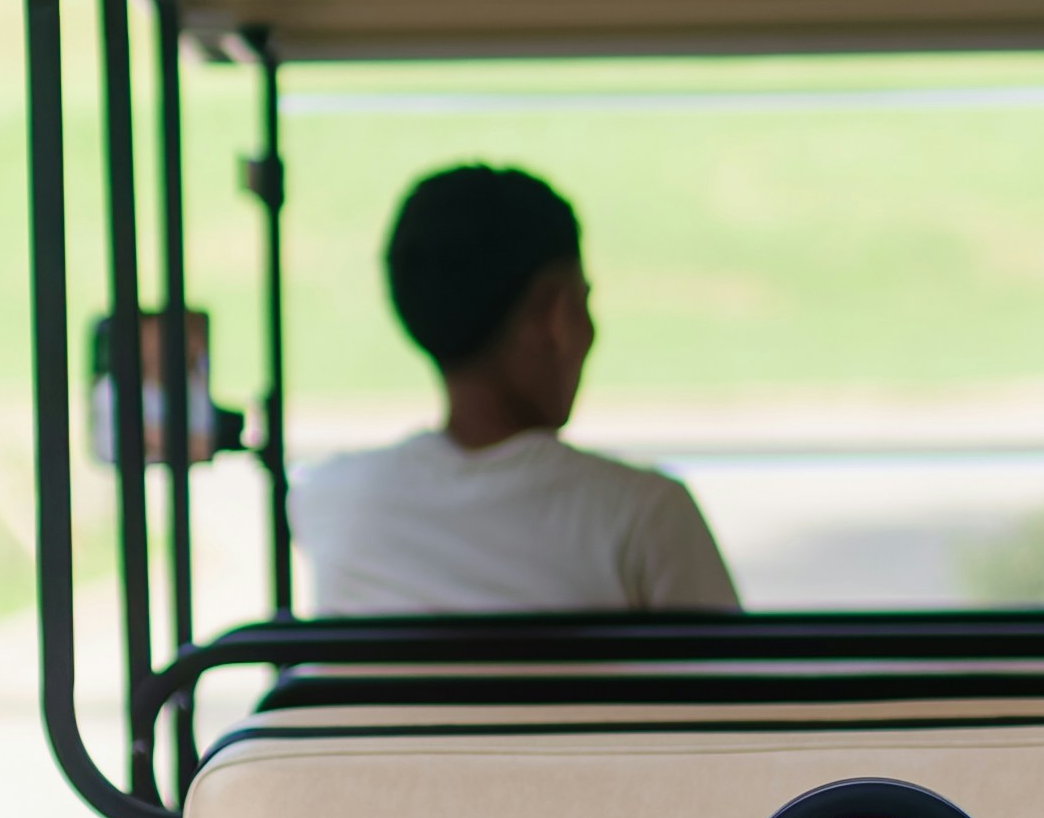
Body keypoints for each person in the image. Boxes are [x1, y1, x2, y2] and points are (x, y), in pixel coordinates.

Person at [293, 160, 742, 620]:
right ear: (555, 315)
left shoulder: (329, 502)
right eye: (582, 300)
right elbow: (740, 686)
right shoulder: (646, 518)